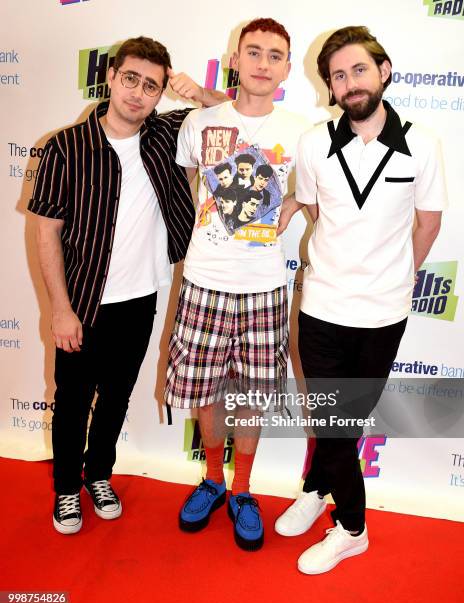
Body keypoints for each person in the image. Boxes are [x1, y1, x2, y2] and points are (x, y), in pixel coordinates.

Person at [28, 36, 228, 535]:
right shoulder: (65, 147)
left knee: (116, 397)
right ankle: (66, 490)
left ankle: (99, 475)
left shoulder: (163, 134)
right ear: (112, 78)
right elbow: (45, 231)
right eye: (131, 80)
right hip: (83, 303)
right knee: (72, 400)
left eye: (152, 86)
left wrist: (199, 95)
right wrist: (60, 309)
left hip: (140, 300)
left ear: (160, 94)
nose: (138, 94)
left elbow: (238, 114)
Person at [275, 26, 447, 573]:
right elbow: (311, 209)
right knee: (331, 422)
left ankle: (317, 488)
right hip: (322, 307)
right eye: (338, 75)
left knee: (343, 423)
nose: (350, 83)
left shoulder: (423, 144)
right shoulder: (311, 143)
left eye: (359, 70)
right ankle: (352, 527)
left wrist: (395, 274)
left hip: (384, 314)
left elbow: (428, 223)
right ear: (329, 86)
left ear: (384, 71)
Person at [165, 17, 310, 551]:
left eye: (275, 55)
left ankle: (243, 491)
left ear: (286, 68)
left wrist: (290, 206)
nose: (263, 63)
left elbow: (319, 194)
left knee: (249, 395)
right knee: (207, 391)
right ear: (236, 60)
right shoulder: (200, 122)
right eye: (253, 52)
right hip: (204, 279)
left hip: (265, 285)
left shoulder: (302, 131)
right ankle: (212, 480)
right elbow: (189, 185)